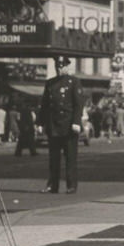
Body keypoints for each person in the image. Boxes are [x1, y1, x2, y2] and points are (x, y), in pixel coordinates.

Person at [39, 56, 83, 193]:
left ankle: (71, 185)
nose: (59, 68)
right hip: (54, 125)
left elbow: (78, 104)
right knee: (54, 158)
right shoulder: (50, 83)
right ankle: (53, 184)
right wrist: (40, 122)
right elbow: (44, 105)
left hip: (69, 125)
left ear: (67, 67)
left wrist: (76, 122)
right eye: (57, 66)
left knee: (70, 157)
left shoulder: (74, 82)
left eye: (62, 66)